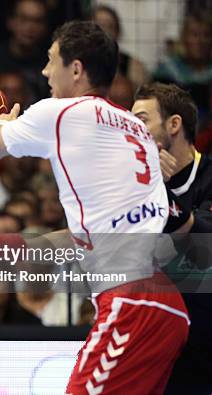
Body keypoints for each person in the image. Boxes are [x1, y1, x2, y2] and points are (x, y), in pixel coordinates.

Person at [0, 21, 189, 394]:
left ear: (75, 69)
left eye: (50, 60)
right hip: (168, 305)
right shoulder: (133, 125)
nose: (44, 72)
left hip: (131, 300)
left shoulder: (60, 112)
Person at [132, 82, 212, 394]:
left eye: (141, 121)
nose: (131, 132)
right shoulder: (133, 184)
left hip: (203, 350)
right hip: (149, 348)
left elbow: (202, 250)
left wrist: (158, 190)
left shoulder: (208, 176)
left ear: (174, 124)